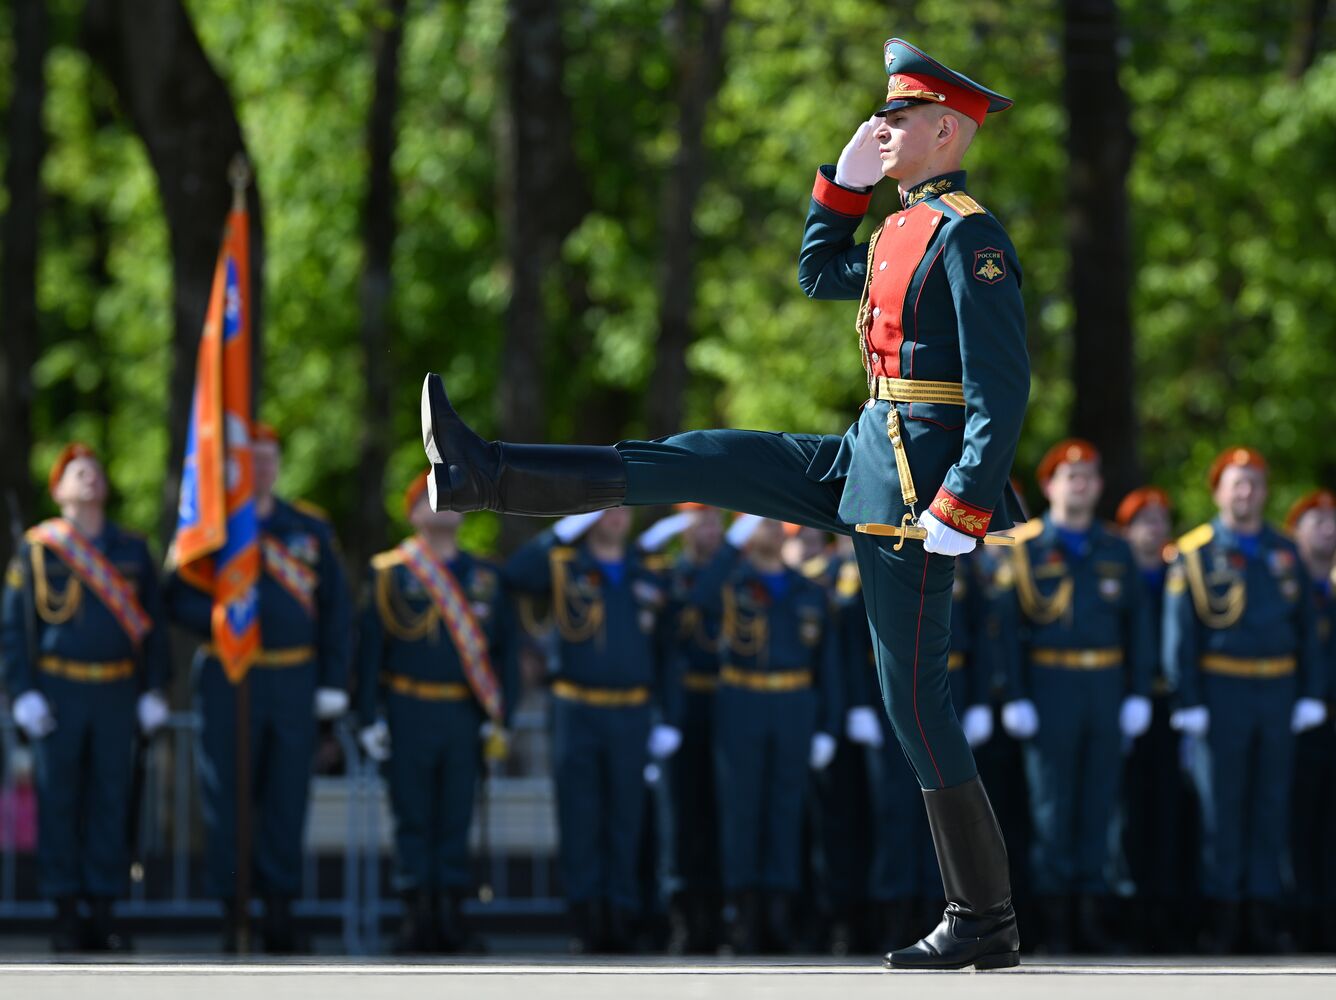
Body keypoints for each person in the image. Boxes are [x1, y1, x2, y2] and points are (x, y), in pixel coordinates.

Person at [421, 36, 1029, 970]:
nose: (883, 126)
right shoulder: (903, 226)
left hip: (916, 492)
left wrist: (965, 503)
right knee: (696, 458)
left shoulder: (970, 237)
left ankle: (984, 921)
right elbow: (820, 275)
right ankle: (484, 476)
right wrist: (842, 186)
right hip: (867, 456)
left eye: (898, 118)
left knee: (916, 708)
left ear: (947, 129)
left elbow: (1001, 387)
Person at [165, 422, 352, 953]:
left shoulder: (309, 530)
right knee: (228, 798)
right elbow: (174, 598)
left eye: (270, 459)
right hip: (230, 675)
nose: (262, 468)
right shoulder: (213, 527)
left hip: (293, 677)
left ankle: (278, 912)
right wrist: (223, 618)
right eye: (253, 459)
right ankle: (233, 913)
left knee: (286, 798)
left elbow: (337, 612)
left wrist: (333, 683)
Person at [1, 444, 170, 952]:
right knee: (59, 802)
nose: (89, 479)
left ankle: (104, 908)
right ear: (58, 490)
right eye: (78, 473)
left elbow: (154, 626)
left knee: (111, 801)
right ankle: (66, 912)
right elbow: (12, 629)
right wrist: (22, 692)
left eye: (95, 472)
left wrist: (154, 687)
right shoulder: (36, 549)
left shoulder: (132, 548)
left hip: (117, 690)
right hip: (59, 691)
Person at [1164, 448, 1327, 954]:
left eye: (1255, 483)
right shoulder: (1195, 553)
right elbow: (1180, 636)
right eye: (1237, 483)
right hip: (1222, 691)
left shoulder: (1284, 551)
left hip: (1277, 691)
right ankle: (1223, 917)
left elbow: (1309, 632)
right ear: (1218, 491)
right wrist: (1187, 697)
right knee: (1223, 807)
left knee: (1270, 804)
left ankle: (1262, 914)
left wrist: (1310, 693)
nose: (1247, 493)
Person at [996, 440, 1153, 954]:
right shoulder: (1026, 548)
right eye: (1070, 476)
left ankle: (1092, 916)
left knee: (1099, 803)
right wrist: (1015, 695)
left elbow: (1139, 627)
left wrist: (1137, 692)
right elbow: (1007, 630)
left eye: (1088, 476)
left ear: (1100, 486)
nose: (1080, 484)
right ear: (1050, 486)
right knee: (1052, 805)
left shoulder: (1115, 548)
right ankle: (1054, 921)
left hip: (1105, 685)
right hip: (1050, 684)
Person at [356, 471, 517, 953]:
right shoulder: (390, 572)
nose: (443, 504)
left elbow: (504, 653)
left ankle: (450, 914)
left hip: (463, 712)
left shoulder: (485, 576)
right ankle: (416, 916)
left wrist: (500, 714)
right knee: (412, 815)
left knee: (455, 815)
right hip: (407, 707)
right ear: (412, 513)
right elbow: (368, 652)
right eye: (430, 496)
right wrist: (368, 717)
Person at [504, 508, 675, 953]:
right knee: (580, 817)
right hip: (575, 705)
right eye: (604, 508)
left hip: (632, 711)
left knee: (625, 818)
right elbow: (515, 575)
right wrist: (562, 528)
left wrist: (668, 716)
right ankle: (585, 919)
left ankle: (621, 914)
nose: (616, 517)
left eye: (621, 506)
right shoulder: (564, 564)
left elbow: (669, 651)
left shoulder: (648, 571)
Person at [850, 551, 996, 953]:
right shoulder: (874, 553)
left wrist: (982, 699)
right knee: (895, 809)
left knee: (945, 813)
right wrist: (859, 702)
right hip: (888, 691)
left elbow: (984, 633)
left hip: (952, 685)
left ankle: (946, 907)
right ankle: (893, 912)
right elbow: (850, 635)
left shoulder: (961, 561)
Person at [641, 504, 729, 953]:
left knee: (720, 813)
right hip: (682, 705)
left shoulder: (733, 569)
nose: (709, 530)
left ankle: (718, 916)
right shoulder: (667, 574)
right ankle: (681, 917)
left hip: (726, 703)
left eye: (715, 520)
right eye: (699, 520)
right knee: (679, 817)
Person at [1115, 486, 1196, 952]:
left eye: (1161, 520)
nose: (1154, 529)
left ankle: (1169, 912)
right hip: (1126, 705)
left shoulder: (1177, 572)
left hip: (1172, 707)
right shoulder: (1118, 572)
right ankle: (1130, 913)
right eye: (1144, 520)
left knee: (1171, 811)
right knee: (1127, 813)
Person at [1283, 489, 1336, 952]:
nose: (1328, 528)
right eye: (1316, 520)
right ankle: (1298, 916)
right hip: (1295, 720)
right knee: (1296, 823)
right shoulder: (1284, 580)